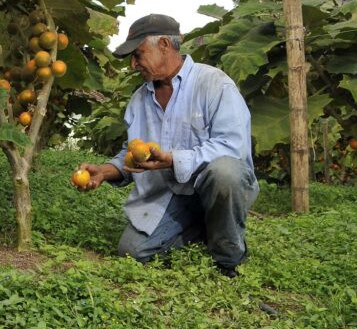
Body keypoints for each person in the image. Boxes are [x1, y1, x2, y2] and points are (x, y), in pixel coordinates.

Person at [77, 14, 259, 277]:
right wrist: (104, 171)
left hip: (214, 187)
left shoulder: (214, 83)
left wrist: (173, 159)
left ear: (164, 44)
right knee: (132, 251)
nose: (133, 64)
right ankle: (202, 226)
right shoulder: (139, 100)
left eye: (138, 54)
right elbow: (132, 153)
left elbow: (233, 147)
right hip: (171, 195)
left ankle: (228, 260)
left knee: (225, 172)